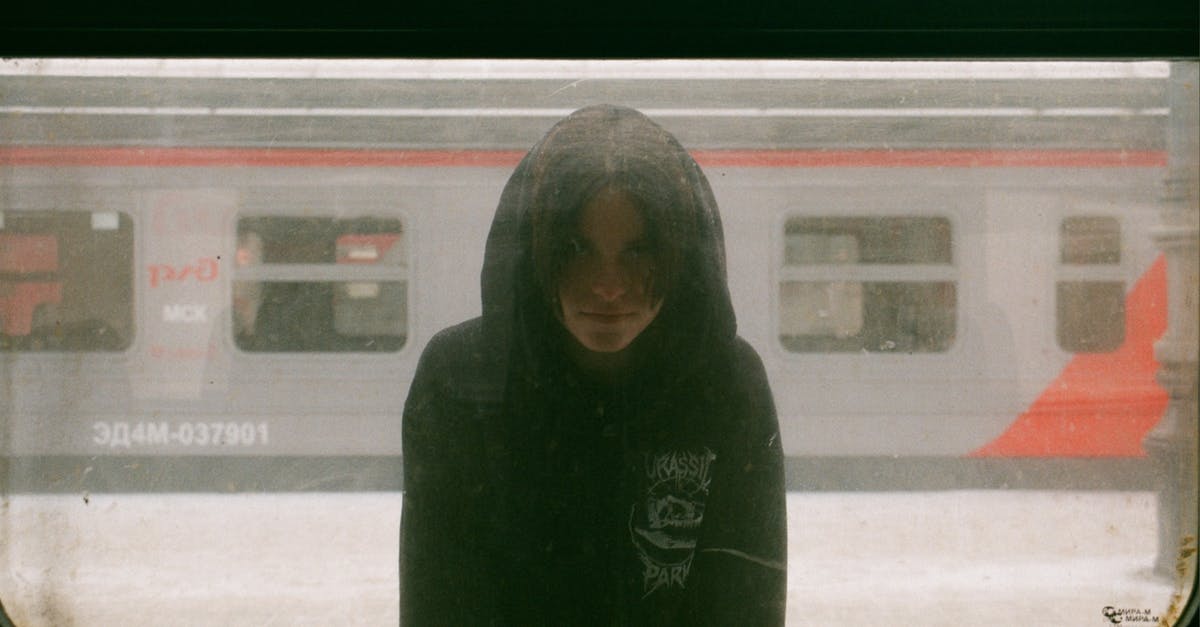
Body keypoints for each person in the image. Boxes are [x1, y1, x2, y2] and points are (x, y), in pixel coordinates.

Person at [400, 105, 787, 625]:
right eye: (577, 248)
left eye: (638, 251)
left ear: (681, 256)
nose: (607, 284)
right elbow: (439, 601)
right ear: (537, 250)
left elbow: (746, 607)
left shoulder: (730, 385)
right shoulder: (458, 378)